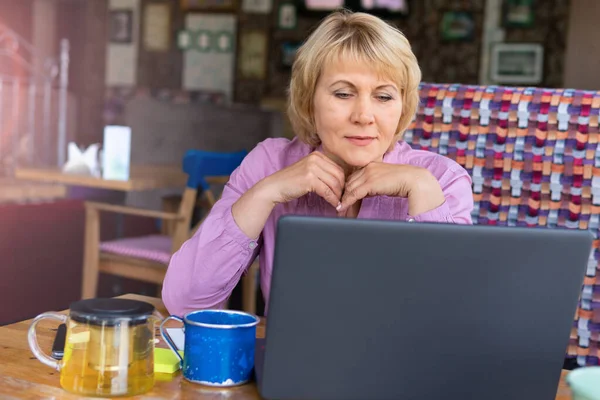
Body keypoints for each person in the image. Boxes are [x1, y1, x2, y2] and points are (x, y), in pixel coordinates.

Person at [162, 9, 474, 316]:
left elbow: (455, 318)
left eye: (383, 97)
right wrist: (266, 192)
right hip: (291, 363)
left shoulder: (442, 180)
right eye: (343, 93)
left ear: (402, 107)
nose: (363, 116)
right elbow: (185, 302)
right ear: (309, 101)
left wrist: (422, 191)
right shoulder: (270, 163)